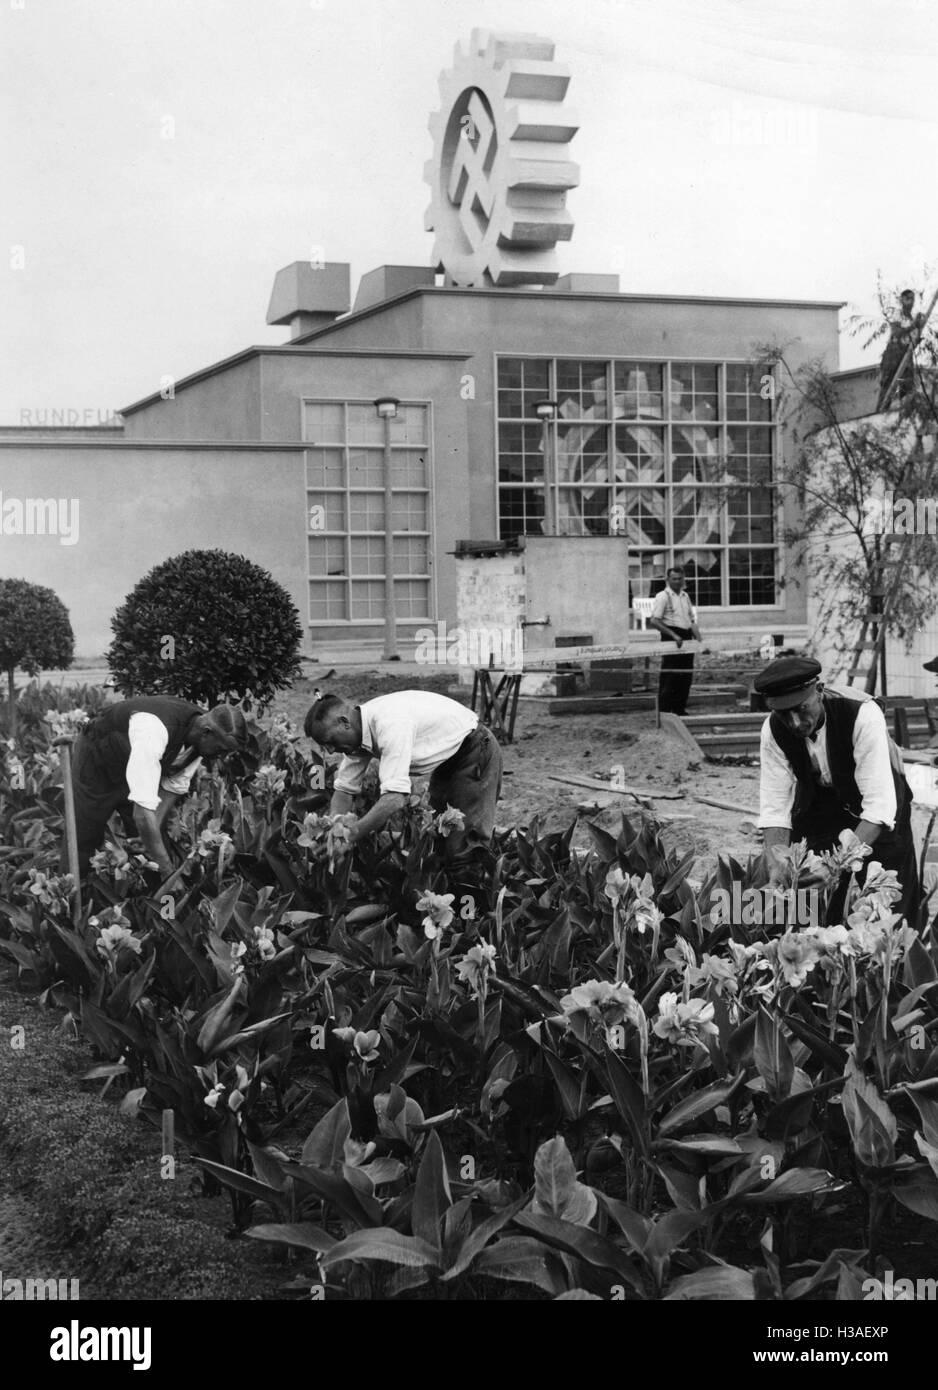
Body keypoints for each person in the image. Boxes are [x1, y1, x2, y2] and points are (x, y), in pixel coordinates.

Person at [754, 656, 920, 928]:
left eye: (801, 708)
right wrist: (776, 864)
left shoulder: (862, 714)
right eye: (784, 714)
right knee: (813, 896)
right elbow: (775, 806)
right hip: (823, 804)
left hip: (879, 808)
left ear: (818, 690)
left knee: (887, 902)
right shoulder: (772, 730)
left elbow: (878, 808)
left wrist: (835, 864)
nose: (795, 723)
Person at [64, 697, 248, 881]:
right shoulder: (153, 730)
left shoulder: (201, 739)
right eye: (222, 749)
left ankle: (157, 905)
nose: (222, 757)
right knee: (84, 835)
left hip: (136, 766)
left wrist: (151, 833)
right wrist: (167, 871)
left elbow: (172, 787)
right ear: (207, 732)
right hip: (98, 761)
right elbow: (142, 814)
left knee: (151, 843)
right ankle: (70, 898)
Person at [303, 690, 502, 857]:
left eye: (329, 741)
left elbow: (394, 799)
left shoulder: (389, 724)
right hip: (448, 758)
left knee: (465, 843)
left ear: (345, 723)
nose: (329, 751)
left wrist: (352, 834)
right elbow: (344, 791)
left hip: (475, 749)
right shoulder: (357, 733)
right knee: (439, 839)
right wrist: (333, 830)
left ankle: (477, 899)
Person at [648, 565, 701, 716]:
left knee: (685, 675)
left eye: (680, 579)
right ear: (668, 579)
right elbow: (655, 621)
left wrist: (699, 639)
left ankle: (679, 709)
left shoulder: (685, 596)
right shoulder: (663, 596)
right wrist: (673, 635)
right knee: (670, 675)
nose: (677, 582)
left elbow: (691, 620)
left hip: (686, 636)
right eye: (674, 579)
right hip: (671, 636)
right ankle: (664, 711)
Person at [878, 288, 924, 409]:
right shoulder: (897, 314)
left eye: (912, 299)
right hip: (894, 353)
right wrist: (913, 326)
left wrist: (918, 329)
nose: (911, 301)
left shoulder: (912, 319)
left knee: (907, 386)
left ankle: (906, 412)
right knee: (888, 385)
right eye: (908, 298)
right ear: (902, 300)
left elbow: (913, 341)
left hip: (907, 354)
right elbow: (897, 333)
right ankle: (881, 411)